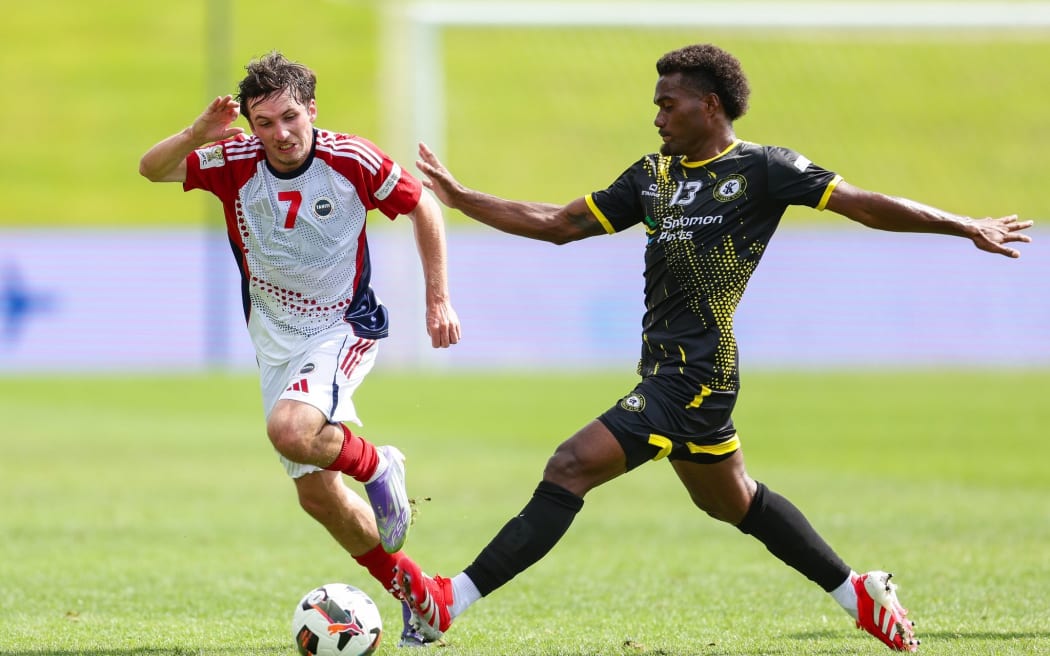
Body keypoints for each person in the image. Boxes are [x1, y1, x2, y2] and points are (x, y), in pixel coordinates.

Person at [392, 43, 1034, 652]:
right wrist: (463, 196)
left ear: (710, 105)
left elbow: (863, 205)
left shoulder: (765, 169)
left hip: (694, 373)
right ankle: (856, 592)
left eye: (668, 104)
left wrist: (964, 225)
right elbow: (562, 224)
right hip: (668, 369)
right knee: (732, 500)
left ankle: (449, 600)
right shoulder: (654, 175)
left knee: (569, 466)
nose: (657, 116)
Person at [139, 51, 461, 647]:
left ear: (311, 109)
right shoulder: (233, 159)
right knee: (317, 496)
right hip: (274, 343)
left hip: (342, 325)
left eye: (290, 117)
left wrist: (437, 298)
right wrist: (194, 134)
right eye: (264, 123)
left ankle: (377, 463)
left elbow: (422, 204)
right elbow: (151, 169)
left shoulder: (350, 158)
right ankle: (425, 596)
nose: (280, 135)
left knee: (291, 430)